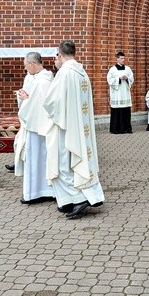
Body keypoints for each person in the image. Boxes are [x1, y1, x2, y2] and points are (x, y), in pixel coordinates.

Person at [41, 40, 105, 219]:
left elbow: (52, 102)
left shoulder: (64, 73)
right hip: (79, 125)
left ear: (59, 55)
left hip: (65, 126)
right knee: (77, 161)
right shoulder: (82, 72)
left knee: (63, 163)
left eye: (56, 57)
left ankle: (78, 198)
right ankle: (69, 199)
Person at [12, 52, 56, 204]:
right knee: (43, 158)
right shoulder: (46, 78)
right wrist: (25, 98)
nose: (25, 69)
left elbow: (36, 104)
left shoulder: (41, 82)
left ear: (32, 64)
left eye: (25, 65)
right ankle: (47, 190)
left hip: (36, 126)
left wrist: (25, 100)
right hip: (42, 126)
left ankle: (35, 192)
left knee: (35, 158)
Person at [107, 51, 134, 134]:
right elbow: (109, 80)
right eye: (121, 58)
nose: (123, 60)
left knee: (126, 111)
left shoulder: (128, 69)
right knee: (117, 111)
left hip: (125, 93)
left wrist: (126, 78)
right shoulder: (112, 69)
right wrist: (118, 79)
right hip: (117, 94)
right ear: (117, 59)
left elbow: (132, 78)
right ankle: (116, 129)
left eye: (124, 58)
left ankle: (126, 128)